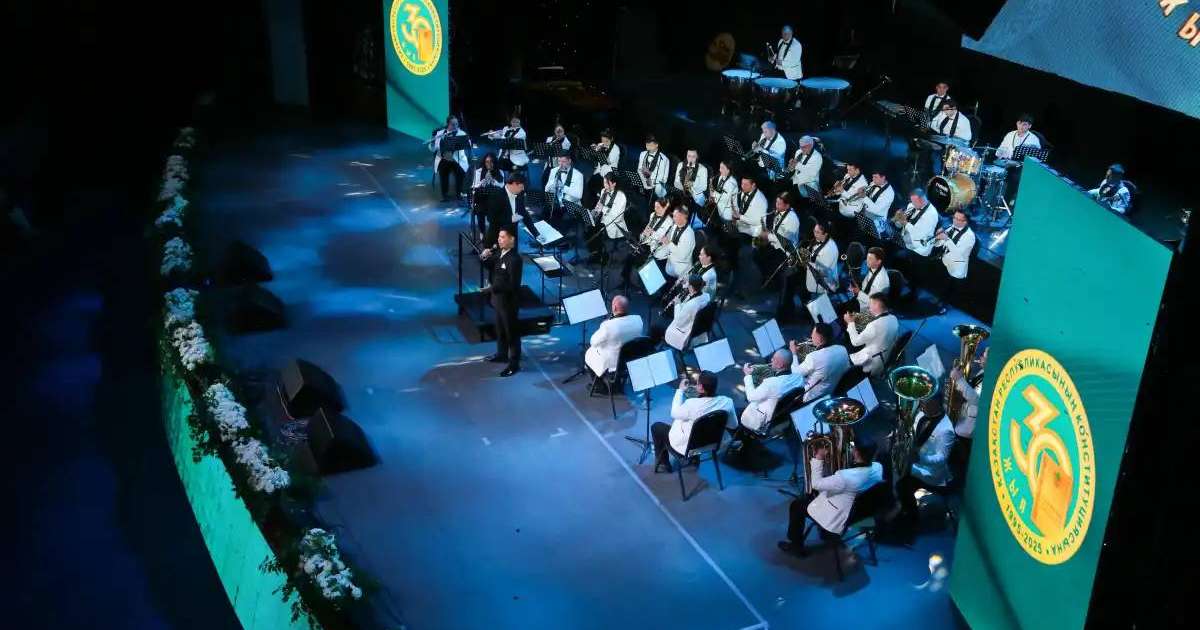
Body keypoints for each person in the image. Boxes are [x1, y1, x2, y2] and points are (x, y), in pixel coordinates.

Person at [778, 438, 884, 557]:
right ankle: (823, 532)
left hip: (838, 519)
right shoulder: (878, 468)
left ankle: (796, 546)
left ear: (856, 452)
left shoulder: (845, 477)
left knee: (797, 505)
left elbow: (816, 484)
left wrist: (818, 457)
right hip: (859, 514)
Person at [651, 371, 737, 473]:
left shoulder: (691, 404)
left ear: (701, 387)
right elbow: (733, 425)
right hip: (713, 444)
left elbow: (674, 413)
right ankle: (694, 458)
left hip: (689, 448)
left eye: (697, 383)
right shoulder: (728, 401)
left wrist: (680, 390)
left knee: (656, 427)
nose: (695, 384)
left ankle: (664, 463)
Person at [895, 402, 957, 532]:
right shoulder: (922, 414)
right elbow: (914, 436)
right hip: (917, 464)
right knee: (897, 477)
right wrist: (903, 443)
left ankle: (912, 521)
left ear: (937, 405)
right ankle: (903, 508)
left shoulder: (946, 430)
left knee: (902, 486)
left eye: (927, 402)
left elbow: (942, 459)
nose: (922, 405)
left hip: (931, 474)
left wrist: (920, 459)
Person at [480, 228, 524, 377]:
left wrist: (491, 289)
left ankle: (514, 363)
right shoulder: (499, 253)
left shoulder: (515, 259)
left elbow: (513, 285)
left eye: (503, 237)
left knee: (511, 333)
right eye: (499, 237)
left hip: (508, 302)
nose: (499, 240)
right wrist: (484, 257)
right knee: (500, 329)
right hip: (497, 300)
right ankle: (501, 353)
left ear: (512, 240)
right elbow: (489, 265)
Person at [736, 349, 805, 435]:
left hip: (762, 422)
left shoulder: (771, 383)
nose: (771, 360)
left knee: (737, 413)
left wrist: (748, 376)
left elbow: (750, 397)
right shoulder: (799, 378)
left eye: (774, 359)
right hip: (783, 413)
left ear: (780, 365)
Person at [584, 295, 644, 384]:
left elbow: (593, 342)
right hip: (631, 358)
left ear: (614, 307)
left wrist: (604, 325)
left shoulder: (608, 326)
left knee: (588, 352)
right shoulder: (638, 320)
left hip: (614, 363)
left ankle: (599, 386)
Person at [622, 196, 674, 291]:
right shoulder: (653, 215)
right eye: (655, 207)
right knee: (629, 256)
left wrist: (651, 233)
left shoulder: (669, 222)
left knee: (638, 260)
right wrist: (642, 236)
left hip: (657, 249)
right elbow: (647, 229)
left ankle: (642, 285)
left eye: (658, 207)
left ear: (665, 208)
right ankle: (625, 281)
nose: (655, 209)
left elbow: (662, 239)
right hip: (647, 244)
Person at [789, 323, 850, 403]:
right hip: (831, 392)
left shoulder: (813, 357)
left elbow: (795, 374)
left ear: (820, 339)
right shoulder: (842, 349)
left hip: (809, 398)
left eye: (813, 334)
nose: (811, 336)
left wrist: (794, 354)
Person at [843, 293, 900, 377]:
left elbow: (855, 342)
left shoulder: (874, 325)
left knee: (844, 356)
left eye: (870, 304)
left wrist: (850, 323)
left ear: (876, 305)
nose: (869, 306)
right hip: (884, 357)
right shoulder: (894, 318)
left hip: (871, 363)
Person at [891, 188, 938, 285]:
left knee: (914, 276)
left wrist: (905, 222)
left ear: (922, 200)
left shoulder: (932, 214)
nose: (912, 204)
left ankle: (912, 289)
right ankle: (899, 281)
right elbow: (900, 226)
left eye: (914, 201)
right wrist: (897, 219)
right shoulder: (911, 205)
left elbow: (921, 235)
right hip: (907, 242)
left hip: (920, 248)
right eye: (911, 201)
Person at [932, 209, 976, 313]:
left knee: (948, 288)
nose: (954, 221)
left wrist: (946, 239)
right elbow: (939, 244)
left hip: (956, 267)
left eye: (958, 219)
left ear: (965, 222)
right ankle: (938, 300)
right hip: (945, 260)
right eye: (954, 218)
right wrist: (937, 238)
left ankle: (943, 306)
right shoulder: (952, 227)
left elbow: (958, 255)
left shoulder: (969, 236)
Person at [651, 275, 711, 350]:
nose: (685, 285)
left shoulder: (691, 305)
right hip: (694, 326)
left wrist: (677, 304)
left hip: (683, 333)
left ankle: (652, 348)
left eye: (687, 284)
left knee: (655, 326)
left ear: (691, 287)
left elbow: (678, 321)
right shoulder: (706, 296)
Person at [753, 191, 800, 286]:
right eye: (776, 203)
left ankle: (774, 280)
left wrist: (767, 236)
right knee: (755, 251)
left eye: (779, 204)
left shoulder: (791, 219)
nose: (776, 205)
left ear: (787, 205)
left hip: (786, 251)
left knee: (764, 256)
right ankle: (768, 276)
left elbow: (782, 239)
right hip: (777, 245)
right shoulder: (779, 213)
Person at [482, 173, 534, 248]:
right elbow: (491, 218)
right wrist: (510, 219)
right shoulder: (496, 195)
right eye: (521, 186)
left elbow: (524, 214)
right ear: (514, 184)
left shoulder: (520, 194)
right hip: (497, 239)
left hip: (512, 239)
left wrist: (536, 234)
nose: (523, 189)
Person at [586, 172, 628, 263]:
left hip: (615, 225)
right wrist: (595, 211)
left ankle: (606, 257)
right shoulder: (603, 191)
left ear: (614, 184)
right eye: (604, 182)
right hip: (603, 221)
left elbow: (617, 216)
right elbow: (599, 206)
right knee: (589, 230)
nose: (604, 185)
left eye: (606, 183)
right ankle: (596, 253)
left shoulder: (621, 196)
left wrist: (603, 209)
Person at [428, 116, 469, 202]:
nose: (455, 126)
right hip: (444, 159)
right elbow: (434, 148)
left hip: (457, 159)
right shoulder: (440, 133)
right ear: (448, 124)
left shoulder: (462, 133)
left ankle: (459, 194)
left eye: (457, 124)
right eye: (453, 124)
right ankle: (445, 195)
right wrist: (432, 143)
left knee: (459, 177)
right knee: (444, 177)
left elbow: (467, 144)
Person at [929, 100, 972, 175]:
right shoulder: (944, 115)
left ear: (954, 109)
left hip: (959, 145)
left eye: (946, 109)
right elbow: (936, 127)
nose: (944, 111)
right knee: (934, 151)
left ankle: (950, 176)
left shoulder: (963, 121)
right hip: (946, 141)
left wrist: (950, 141)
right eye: (943, 109)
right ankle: (937, 176)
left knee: (950, 156)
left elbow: (966, 140)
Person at [471, 153, 506, 239]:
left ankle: (494, 233)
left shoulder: (500, 172)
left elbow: (502, 186)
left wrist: (493, 181)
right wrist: (483, 182)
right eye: (487, 162)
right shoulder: (478, 171)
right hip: (482, 200)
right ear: (484, 162)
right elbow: (473, 187)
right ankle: (482, 232)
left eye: (491, 162)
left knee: (497, 212)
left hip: (494, 200)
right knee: (480, 211)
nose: (489, 164)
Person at [849, 247, 890, 313]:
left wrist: (858, 292)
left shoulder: (882, 281)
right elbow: (865, 285)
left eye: (870, 259)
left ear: (878, 261)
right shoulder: (873, 267)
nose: (867, 260)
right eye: (867, 257)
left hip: (868, 309)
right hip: (861, 299)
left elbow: (874, 303)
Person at [664, 207, 697, 279]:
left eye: (675, 216)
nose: (673, 218)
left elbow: (682, 256)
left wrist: (668, 244)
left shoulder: (688, 235)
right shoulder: (676, 225)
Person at [637, 135, 671, 200]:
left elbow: (664, 179)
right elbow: (639, 169)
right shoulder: (642, 154)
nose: (648, 147)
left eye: (650, 145)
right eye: (647, 144)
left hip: (656, 187)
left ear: (656, 145)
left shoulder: (664, 159)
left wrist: (650, 182)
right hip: (644, 183)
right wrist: (645, 180)